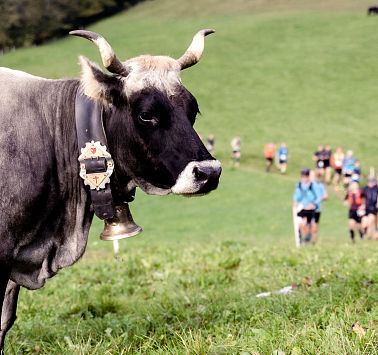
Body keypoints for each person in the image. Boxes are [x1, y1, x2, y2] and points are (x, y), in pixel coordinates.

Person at [293, 169, 318, 243]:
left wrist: (313, 203)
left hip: (310, 208)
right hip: (302, 207)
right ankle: (301, 238)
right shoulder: (299, 185)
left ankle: (308, 238)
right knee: (302, 224)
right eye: (303, 177)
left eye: (305, 176)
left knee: (311, 225)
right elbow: (296, 196)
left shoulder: (312, 185)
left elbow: (316, 196)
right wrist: (295, 202)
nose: (304, 178)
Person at [311, 170, 328, 243]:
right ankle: (307, 240)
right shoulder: (310, 184)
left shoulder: (321, 185)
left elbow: (326, 196)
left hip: (317, 209)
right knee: (309, 225)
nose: (318, 178)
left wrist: (321, 198)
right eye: (317, 176)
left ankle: (314, 241)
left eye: (319, 176)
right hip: (309, 208)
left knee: (315, 226)